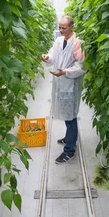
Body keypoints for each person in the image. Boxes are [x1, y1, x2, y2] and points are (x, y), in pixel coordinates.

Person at [41, 16, 86, 164]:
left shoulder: (78, 44)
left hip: (70, 85)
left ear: (72, 27)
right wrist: (47, 57)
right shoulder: (59, 41)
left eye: (63, 28)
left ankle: (69, 150)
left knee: (71, 117)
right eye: (59, 27)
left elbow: (82, 67)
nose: (60, 30)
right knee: (67, 115)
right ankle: (68, 138)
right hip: (60, 82)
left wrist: (65, 72)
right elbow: (54, 55)